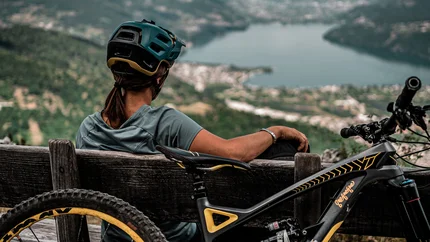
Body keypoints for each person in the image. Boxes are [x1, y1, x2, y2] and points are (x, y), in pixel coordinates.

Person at [76, 19, 309, 242]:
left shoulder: (88, 129)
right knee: (281, 150)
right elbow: (233, 153)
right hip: (176, 239)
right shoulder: (166, 122)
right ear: (159, 76)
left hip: (116, 239)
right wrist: (275, 131)